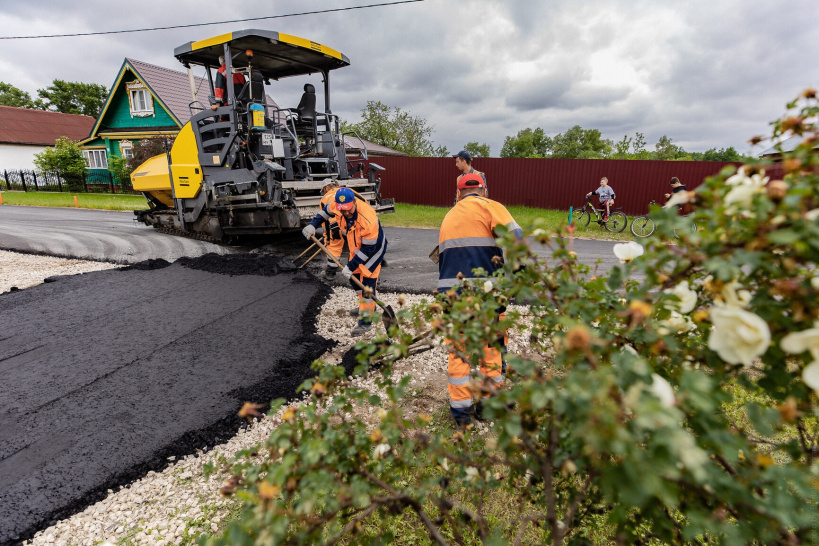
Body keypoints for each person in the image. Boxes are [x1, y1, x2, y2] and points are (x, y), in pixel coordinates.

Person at [438, 172, 523, 427]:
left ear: (458, 193)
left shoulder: (448, 216)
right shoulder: (491, 207)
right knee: (491, 350)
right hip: (486, 297)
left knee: (459, 352)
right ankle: (487, 407)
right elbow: (516, 238)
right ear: (484, 190)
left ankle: (461, 416)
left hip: (452, 298)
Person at [303, 187, 387, 336]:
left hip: (373, 249)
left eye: (348, 209)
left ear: (354, 202)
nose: (346, 213)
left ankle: (365, 321)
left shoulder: (367, 218)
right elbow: (324, 213)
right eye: (343, 211)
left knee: (367, 284)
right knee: (355, 280)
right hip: (357, 247)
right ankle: (367, 306)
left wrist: (351, 265)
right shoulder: (337, 205)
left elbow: (368, 250)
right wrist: (312, 225)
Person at [315, 181, 345, 278]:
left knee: (334, 248)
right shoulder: (346, 192)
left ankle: (331, 273)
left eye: (323, 190)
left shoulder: (325, 199)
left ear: (327, 187)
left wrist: (327, 237)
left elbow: (326, 220)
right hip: (353, 224)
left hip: (335, 227)